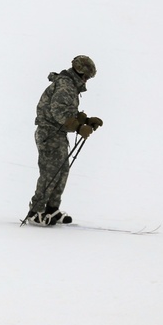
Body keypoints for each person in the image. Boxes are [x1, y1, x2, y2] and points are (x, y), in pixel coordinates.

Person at [25, 55, 103, 225]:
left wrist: (86, 121)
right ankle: (35, 211)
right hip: (49, 133)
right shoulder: (65, 86)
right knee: (50, 173)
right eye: (87, 77)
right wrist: (78, 127)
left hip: (57, 134)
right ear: (81, 74)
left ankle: (51, 210)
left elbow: (67, 112)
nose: (87, 81)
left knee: (61, 171)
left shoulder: (70, 86)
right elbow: (59, 112)